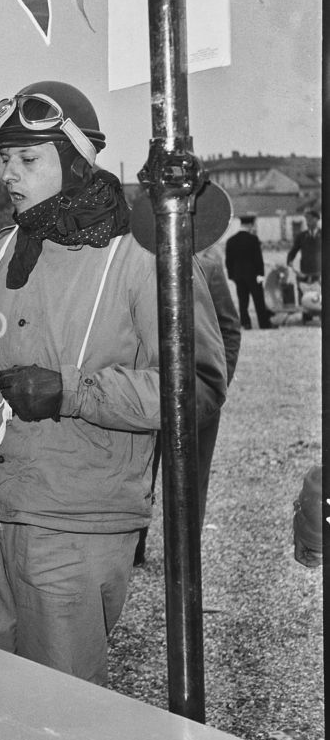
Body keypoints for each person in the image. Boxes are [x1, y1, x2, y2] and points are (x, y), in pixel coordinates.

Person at [0, 81, 227, 686]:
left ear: (77, 158)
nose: (8, 176)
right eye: (4, 160)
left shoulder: (145, 253)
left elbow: (196, 387)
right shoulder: (0, 251)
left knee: (61, 709)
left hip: (71, 523)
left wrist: (72, 390)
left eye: (28, 159)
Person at [133, 241, 242, 565]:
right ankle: (133, 550)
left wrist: (215, 385)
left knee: (192, 483)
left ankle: (184, 559)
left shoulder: (207, 259)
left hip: (197, 395)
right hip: (141, 391)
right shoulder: (130, 254)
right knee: (136, 475)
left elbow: (229, 328)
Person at [225, 214, 276, 329]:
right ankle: (264, 324)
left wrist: (231, 275)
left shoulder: (231, 241)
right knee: (259, 301)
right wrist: (261, 274)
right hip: (253, 275)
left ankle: (246, 323)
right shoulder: (253, 239)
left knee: (243, 301)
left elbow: (228, 261)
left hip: (238, 276)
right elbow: (258, 259)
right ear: (250, 225)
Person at [286, 209, 321, 324]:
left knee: (321, 295)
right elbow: (293, 251)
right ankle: (306, 318)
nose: (308, 222)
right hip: (304, 271)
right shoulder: (301, 236)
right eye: (306, 219)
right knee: (304, 296)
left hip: (320, 272)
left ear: (317, 219)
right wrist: (290, 261)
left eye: (310, 219)